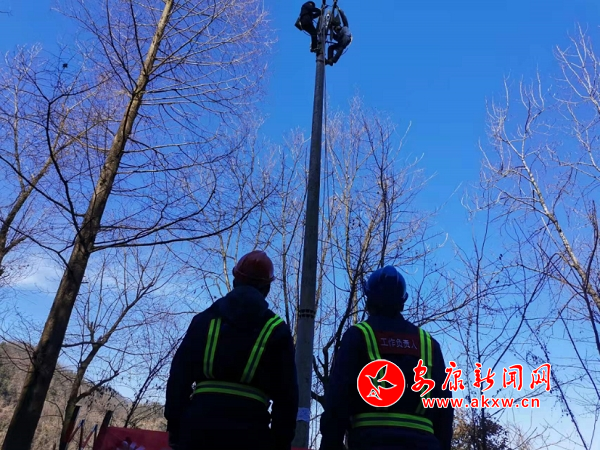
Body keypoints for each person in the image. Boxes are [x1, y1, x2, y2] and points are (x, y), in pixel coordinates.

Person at [164, 250, 299, 450]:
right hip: (251, 435)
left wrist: (176, 428)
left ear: (236, 281)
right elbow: (287, 397)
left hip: (198, 432)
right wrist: (280, 442)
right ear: (267, 288)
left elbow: (178, 378)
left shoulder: (204, 320)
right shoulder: (277, 330)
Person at [319, 266, 454, 450]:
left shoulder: (358, 336)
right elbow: (444, 410)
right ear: (402, 302)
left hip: (370, 442)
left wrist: (330, 444)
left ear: (369, 299)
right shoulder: (428, 343)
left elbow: (338, 401)